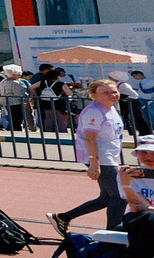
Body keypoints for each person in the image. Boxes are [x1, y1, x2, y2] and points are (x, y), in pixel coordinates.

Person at [53, 78, 129, 236]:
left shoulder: (111, 108)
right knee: (120, 195)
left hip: (109, 156)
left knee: (107, 197)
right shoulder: (94, 111)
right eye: (106, 92)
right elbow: (90, 138)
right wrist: (94, 163)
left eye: (114, 91)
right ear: (94, 95)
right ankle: (113, 234)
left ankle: (63, 217)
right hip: (100, 157)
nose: (112, 95)